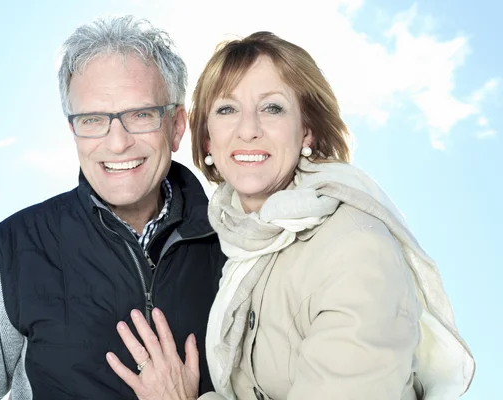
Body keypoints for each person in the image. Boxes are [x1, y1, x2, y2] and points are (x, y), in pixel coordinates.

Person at [106, 31, 476, 400]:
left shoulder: (355, 249)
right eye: (227, 109)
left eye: (272, 108)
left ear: (307, 131)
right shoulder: (234, 242)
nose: (248, 130)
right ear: (206, 140)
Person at [0, 15, 225, 400]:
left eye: (140, 114)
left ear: (176, 125)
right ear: (73, 131)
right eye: (93, 120)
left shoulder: (237, 247)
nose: (117, 142)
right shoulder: (12, 250)